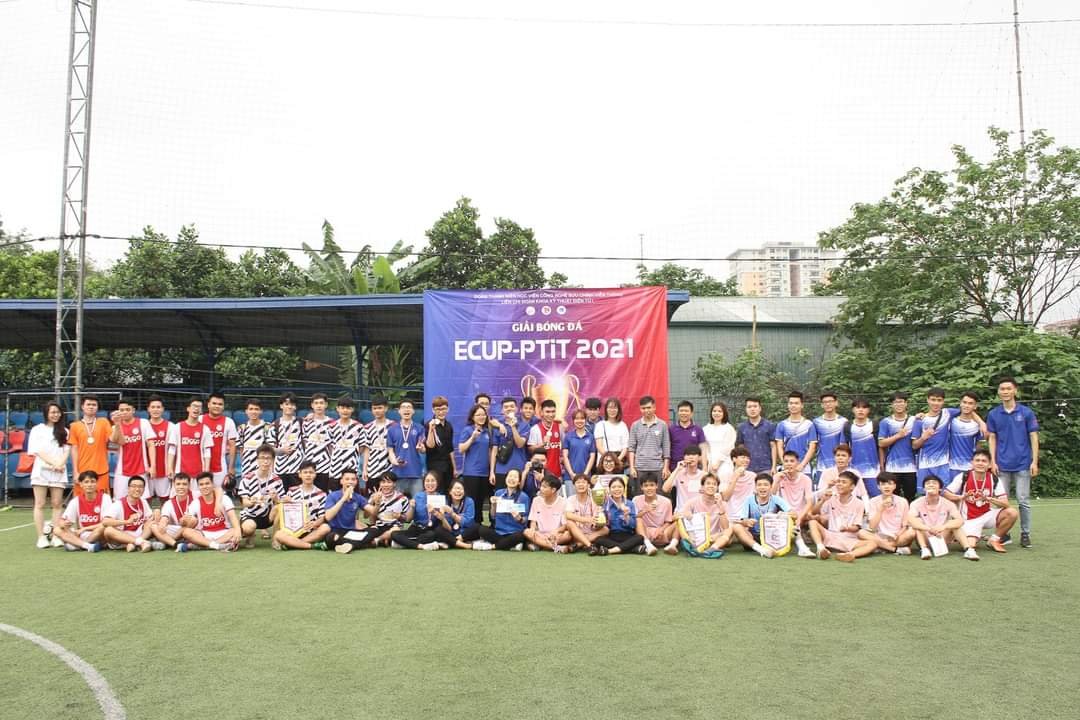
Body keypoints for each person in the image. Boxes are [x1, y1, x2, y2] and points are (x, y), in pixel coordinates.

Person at [987, 376, 1039, 548]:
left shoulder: (1026, 412)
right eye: (1002, 389)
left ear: (1015, 390)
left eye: (1008, 388)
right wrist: (992, 461)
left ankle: (1025, 534)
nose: (1005, 392)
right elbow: (992, 438)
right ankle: (1004, 534)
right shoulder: (994, 414)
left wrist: (1034, 462)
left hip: (1023, 464)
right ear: (999, 392)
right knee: (1001, 502)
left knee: (1023, 501)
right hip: (1001, 465)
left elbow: (1033, 436)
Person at [943, 449, 1017, 555]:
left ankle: (994, 540)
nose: (980, 463)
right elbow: (946, 493)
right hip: (968, 518)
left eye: (984, 461)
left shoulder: (994, 479)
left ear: (989, 464)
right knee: (971, 545)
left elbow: (1005, 503)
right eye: (977, 460)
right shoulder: (964, 476)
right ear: (972, 463)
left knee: (1012, 512)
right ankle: (958, 533)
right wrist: (961, 497)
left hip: (986, 515)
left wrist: (989, 499)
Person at [808, 471, 876, 562]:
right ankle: (821, 549)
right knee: (812, 522)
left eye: (844, 482)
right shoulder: (831, 498)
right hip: (830, 535)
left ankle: (849, 555)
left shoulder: (859, 503)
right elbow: (813, 513)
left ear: (852, 487)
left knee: (873, 544)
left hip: (848, 539)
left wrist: (847, 528)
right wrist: (822, 500)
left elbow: (857, 527)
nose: (839, 484)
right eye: (838, 481)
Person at [907, 475, 979, 561]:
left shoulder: (948, 503)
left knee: (954, 524)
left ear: (940, 489)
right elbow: (910, 520)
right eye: (928, 483)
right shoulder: (916, 503)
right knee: (917, 522)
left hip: (941, 536)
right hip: (925, 536)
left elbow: (960, 521)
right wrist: (928, 528)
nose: (931, 485)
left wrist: (943, 527)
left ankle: (968, 550)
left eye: (934, 483)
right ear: (924, 489)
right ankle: (924, 549)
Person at [29, 401, 70, 549]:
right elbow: (37, 450)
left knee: (57, 504)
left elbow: (66, 450)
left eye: (58, 412)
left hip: (59, 472)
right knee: (40, 504)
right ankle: (41, 537)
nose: (55, 415)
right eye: (52, 412)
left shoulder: (65, 431)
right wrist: (53, 464)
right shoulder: (37, 430)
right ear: (46, 413)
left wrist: (60, 464)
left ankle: (56, 536)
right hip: (42, 471)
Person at [730, 473, 796, 558]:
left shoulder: (776, 499)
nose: (762, 487)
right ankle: (761, 550)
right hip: (753, 538)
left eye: (765, 485)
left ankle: (802, 548)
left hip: (772, 537)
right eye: (759, 485)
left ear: (771, 487)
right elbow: (743, 520)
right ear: (755, 487)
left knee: (795, 527)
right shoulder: (749, 500)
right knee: (736, 527)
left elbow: (795, 515)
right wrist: (747, 522)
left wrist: (783, 514)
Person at [462, 468, 529, 551]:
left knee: (520, 536)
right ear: (506, 478)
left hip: (514, 532)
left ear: (519, 481)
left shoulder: (523, 497)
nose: (512, 479)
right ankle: (510, 544)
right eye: (510, 476)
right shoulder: (499, 493)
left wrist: (519, 518)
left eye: (515, 477)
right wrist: (493, 505)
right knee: (482, 530)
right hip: (499, 532)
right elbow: (493, 516)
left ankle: (492, 546)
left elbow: (525, 520)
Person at [270, 461, 330, 550]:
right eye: (305, 472)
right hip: (292, 529)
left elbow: (322, 517)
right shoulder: (292, 491)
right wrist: (283, 502)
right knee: (279, 534)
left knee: (325, 528)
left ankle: (292, 544)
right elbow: (283, 513)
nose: (308, 475)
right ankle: (311, 546)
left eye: (311, 472)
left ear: (315, 475)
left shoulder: (322, 494)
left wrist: (314, 523)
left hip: (310, 530)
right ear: (300, 475)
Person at [178, 472, 242, 553]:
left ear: (212, 484)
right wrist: (184, 521)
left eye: (207, 483)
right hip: (204, 534)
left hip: (224, 532)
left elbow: (232, 516)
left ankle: (203, 546)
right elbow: (187, 519)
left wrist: (237, 530)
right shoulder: (196, 502)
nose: (204, 486)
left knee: (236, 530)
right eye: (201, 484)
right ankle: (217, 545)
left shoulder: (224, 499)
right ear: (198, 487)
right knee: (186, 532)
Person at [238, 444, 285, 547]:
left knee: (279, 508)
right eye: (262, 458)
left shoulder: (277, 480)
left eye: (268, 458)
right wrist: (251, 502)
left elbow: (281, 502)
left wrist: (276, 498)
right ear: (257, 460)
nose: (265, 461)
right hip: (251, 515)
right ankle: (250, 535)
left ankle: (275, 539)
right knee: (248, 528)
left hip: (269, 516)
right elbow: (244, 502)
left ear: (273, 460)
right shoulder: (247, 478)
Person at [772, 450, 815, 557]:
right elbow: (771, 498)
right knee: (789, 517)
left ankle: (803, 545)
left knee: (804, 517)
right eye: (786, 461)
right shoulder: (779, 477)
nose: (789, 464)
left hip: (801, 513)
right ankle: (802, 547)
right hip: (785, 513)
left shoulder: (805, 479)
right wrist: (776, 481)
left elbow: (809, 502)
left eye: (792, 461)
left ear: (797, 463)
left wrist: (800, 517)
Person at [109, 397, 155, 500]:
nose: (124, 412)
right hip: (122, 471)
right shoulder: (115, 427)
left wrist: (153, 466)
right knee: (120, 500)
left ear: (133, 410)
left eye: (127, 409)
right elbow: (119, 441)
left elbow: (151, 445)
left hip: (141, 469)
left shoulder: (143, 423)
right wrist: (117, 424)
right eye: (121, 410)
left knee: (142, 499)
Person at [68, 395, 112, 497]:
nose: (91, 407)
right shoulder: (74, 426)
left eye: (94, 405)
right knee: (80, 501)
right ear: (82, 406)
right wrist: (75, 472)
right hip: (82, 471)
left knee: (103, 501)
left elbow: (112, 439)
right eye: (88, 404)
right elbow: (74, 449)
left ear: (97, 407)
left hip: (101, 470)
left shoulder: (104, 422)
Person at [677, 473, 733, 555]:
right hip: (697, 537)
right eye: (708, 483)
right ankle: (694, 547)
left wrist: (720, 507)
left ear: (717, 488)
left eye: (714, 484)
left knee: (730, 529)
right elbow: (680, 517)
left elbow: (725, 527)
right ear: (702, 486)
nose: (711, 486)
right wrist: (687, 515)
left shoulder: (722, 504)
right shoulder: (692, 502)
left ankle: (712, 549)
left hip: (713, 538)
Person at [859, 472, 915, 555]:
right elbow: (872, 527)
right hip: (880, 536)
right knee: (861, 533)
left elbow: (905, 525)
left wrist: (898, 534)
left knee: (912, 532)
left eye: (890, 484)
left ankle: (881, 547)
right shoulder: (873, 501)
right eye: (883, 484)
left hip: (897, 536)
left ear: (895, 486)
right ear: (878, 486)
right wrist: (880, 509)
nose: (887, 486)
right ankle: (894, 549)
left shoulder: (902, 501)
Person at [911, 387, 953, 495]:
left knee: (944, 494)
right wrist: (923, 437)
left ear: (943, 401)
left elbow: (968, 410)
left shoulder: (947, 413)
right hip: (925, 464)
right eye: (933, 400)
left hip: (943, 463)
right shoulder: (919, 420)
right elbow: (914, 445)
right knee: (925, 495)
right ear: (927, 400)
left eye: (939, 400)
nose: (936, 403)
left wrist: (981, 423)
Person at [52, 471, 108, 552]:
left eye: (92, 481)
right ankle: (87, 546)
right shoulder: (76, 501)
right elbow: (62, 521)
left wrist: (84, 528)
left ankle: (76, 544)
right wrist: (63, 524)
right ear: (81, 484)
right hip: (82, 534)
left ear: (97, 483)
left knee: (104, 528)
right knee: (57, 529)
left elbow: (106, 523)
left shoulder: (105, 498)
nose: (89, 485)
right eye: (86, 482)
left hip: (98, 533)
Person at [878, 392, 918, 502]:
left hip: (911, 467)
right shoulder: (886, 422)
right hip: (892, 467)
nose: (898, 405)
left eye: (901, 402)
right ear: (892, 404)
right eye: (896, 402)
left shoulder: (914, 420)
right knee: (892, 498)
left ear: (906, 403)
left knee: (910, 497)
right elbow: (881, 443)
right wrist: (898, 436)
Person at [627, 395, 671, 496]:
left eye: (649, 407)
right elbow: (631, 448)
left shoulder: (662, 425)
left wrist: (665, 467)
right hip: (640, 468)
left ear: (654, 407)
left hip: (657, 468)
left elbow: (666, 447)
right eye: (643, 408)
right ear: (640, 409)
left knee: (658, 496)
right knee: (640, 497)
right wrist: (632, 467)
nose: (646, 410)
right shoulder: (635, 425)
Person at [458, 402, 496, 519]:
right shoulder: (468, 430)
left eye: (483, 414)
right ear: (473, 417)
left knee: (481, 502)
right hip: (471, 473)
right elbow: (461, 449)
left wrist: (491, 471)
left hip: (484, 473)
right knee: (471, 502)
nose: (481, 417)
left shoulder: (487, 431)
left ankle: (478, 525)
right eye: (478, 415)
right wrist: (472, 438)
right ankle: (469, 524)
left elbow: (490, 452)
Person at [589, 476, 644, 555]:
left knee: (640, 538)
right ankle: (633, 548)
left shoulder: (630, 504)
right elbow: (603, 525)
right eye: (613, 487)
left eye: (619, 487)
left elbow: (633, 525)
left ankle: (610, 551)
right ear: (609, 489)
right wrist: (598, 520)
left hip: (627, 535)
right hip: (611, 535)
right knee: (598, 540)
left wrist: (626, 516)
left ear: (624, 488)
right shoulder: (604, 504)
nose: (617, 489)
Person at [390, 471, 445, 550]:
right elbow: (408, 519)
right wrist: (412, 507)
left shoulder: (440, 498)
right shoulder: (418, 496)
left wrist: (435, 512)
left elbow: (443, 520)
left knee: (431, 535)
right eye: (427, 481)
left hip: (431, 529)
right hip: (416, 528)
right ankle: (421, 546)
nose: (430, 484)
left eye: (433, 481)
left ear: (437, 483)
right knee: (394, 534)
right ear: (424, 483)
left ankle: (405, 543)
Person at [103, 475, 159, 552]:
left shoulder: (143, 502)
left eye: (140, 487)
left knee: (152, 523)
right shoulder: (118, 504)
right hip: (121, 536)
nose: (137, 489)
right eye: (134, 486)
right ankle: (139, 542)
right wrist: (127, 521)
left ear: (144, 489)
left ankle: (135, 543)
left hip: (138, 534)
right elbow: (105, 522)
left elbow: (149, 519)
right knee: (108, 530)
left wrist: (156, 512)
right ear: (128, 488)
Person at [357, 471, 411, 548]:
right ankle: (384, 540)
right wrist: (373, 501)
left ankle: (376, 540)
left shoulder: (402, 499)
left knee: (396, 530)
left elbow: (407, 519)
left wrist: (399, 516)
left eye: (389, 482)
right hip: (377, 527)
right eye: (383, 482)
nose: (386, 485)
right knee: (356, 523)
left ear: (394, 484)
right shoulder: (374, 496)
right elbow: (365, 516)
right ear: (380, 484)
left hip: (393, 528)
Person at [323, 469, 369, 554]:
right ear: (341, 481)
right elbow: (328, 517)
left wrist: (376, 502)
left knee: (373, 530)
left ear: (356, 482)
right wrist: (343, 498)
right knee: (331, 538)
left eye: (353, 479)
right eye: (347, 479)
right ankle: (355, 543)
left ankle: (349, 544)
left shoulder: (358, 497)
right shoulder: (333, 495)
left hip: (351, 531)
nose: (350, 482)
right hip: (335, 530)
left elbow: (369, 512)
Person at [166, 397, 212, 482]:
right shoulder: (177, 427)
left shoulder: (205, 429)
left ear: (201, 411)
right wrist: (170, 468)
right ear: (188, 408)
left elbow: (207, 451)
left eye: (199, 407)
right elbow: (172, 450)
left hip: (199, 473)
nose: (196, 408)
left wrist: (206, 471)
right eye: (194, 406)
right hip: (180, 473)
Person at [422, 479, 476, 550]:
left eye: (460, 489)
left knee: (477, 527)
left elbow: (468, 523)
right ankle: (464, 545)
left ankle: (451, 542)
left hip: (464, 533)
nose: (458, 491)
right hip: (451, 533)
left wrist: (452, 513)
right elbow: (449, 528)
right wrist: (442, 518)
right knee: (438, 530)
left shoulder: (469, 501)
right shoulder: (445, 502)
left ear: (464, 491)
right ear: (450, 491)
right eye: (455, 488)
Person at [524, 474, 573, 552]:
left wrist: (556, 531)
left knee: (568, 535)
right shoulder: (536, 500)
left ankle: (541, 544)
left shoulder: (563, 502)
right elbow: (533, 521)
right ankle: (555, 548)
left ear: (553, 490)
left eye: (544, 487)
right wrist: (532, 529)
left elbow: (565, 525)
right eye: (541, 486)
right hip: (540, 534)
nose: (541, 489)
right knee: (527, 532)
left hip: (556, 535)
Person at [387, 399, 425, 498]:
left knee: (417, 503)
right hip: (398, 474)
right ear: (399, 411)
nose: (406, 409)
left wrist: (421, 448)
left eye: (409, 407)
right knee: (397, 503)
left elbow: (423, 450)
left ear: (413, 411)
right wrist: (394, 461)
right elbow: (390, 451)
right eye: (403, 407)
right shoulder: (392, 429)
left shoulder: (419, 428)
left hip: (416, 473)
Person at [773, 390, 817, 475]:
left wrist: (802, 465)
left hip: (804, 468)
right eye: (791, 403)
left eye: (796, 403)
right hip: (786, 468)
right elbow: (779, 446)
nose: (793, 405)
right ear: (788, 405)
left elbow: (812, 447)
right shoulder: (781, 425)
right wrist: (785, 463)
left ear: (802, 405)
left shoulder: (809, 424)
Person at [491, 397, 529, 492]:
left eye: (512, 406)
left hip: (518, 469)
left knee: (518, 498)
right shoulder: (497, 425)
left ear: (516, 409)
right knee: (500, 497)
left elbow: (520, 444)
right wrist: (492, 471)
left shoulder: (524, 425)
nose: (509, 409)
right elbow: (494, 450)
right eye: (506, 407)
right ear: (502, 410)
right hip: (501, 469)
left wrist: (513, 427)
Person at [948, 391, 987, 482]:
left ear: (975, 406)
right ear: (960, 403)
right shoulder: (951, 420)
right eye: (964, 402)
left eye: (970, 403)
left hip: (969, 467)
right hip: (951, 467)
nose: (966, 405)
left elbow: (979, 447)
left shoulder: (978, 426)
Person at [563, 473, 608, 552]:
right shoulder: (571, 499)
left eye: (583, 482)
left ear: (589, 485)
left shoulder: (594, 498)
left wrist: (597, 522)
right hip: (577, 532)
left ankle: (579, 544)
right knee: (569, 523)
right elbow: (568, 515)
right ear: (574, 486)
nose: (581, 484)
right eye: (578, 482)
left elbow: (596, 518)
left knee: (606, 529)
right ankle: (590, 545)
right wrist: (587, 519)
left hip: (592, 531)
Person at [202, 391, 238, 490]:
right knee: (199, 495)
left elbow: (233, 446)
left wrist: (231, 467)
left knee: (219, 495)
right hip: (200, 466)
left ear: (223, 406)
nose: (217, 406)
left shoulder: (229, 422)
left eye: (220, 404)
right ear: (208, 404)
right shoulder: (199, 420)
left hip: (220, 467)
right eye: (214, 403)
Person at [633, 476, 677, 555]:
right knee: (638, 520)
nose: (649, 488)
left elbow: (668, 521)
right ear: (641, 487)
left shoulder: (666, 501)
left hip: (662, 533)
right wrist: (645, 510)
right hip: (645, 533)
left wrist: (661, 530)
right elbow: (634, 518)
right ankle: (648, 546)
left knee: (678, 522)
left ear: (657, 486)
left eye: (652, 485)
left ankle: (672, 545)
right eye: (646, 486)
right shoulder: (636, 499)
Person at [816, 444, 870, 509]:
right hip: (830, 508)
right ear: (834, 457)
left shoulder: (855, 473)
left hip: (849, 507)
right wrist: (828, 486)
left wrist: (867, 511)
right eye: (838, 455)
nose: (840, 458)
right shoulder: (826, 472)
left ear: (849, 459)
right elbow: (819, 495)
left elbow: (863, 494)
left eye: (843, 455)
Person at [149, 472, 194, 550]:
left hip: (193, 530)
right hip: (177, 530)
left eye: (184, 484)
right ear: (173, 485)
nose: (181, 487)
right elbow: (165, 517)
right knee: (153, 526)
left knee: (192, 520)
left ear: (189, 485)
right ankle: (175, 544)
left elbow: (215, 489)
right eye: (178, 484)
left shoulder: (196, 496)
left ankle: (166, 542)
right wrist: (162, 523)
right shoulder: (169, 503)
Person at [812, 392, 849, 485]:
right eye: (825, 402)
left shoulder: (844, 421)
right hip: (822, 465)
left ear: (836, 403)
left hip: (840, 466)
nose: (828, 404)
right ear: (822, 405)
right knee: (822, 491)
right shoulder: (816, 422)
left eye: (830, 401)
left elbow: (845, 445)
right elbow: (813, 444)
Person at [846, 398, 880, 497]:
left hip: (873, 471)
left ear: (868, 410)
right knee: (855, 499)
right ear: (853, 410)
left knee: (875, 499)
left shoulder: (875, 424)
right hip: (853, 471)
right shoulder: (848, 426)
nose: (861, 410)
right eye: (858, 407)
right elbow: (845, 447)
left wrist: (882, 465)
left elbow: (881, 446)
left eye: (864, 407)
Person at [302, 392, 335, 491]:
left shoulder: (332, 423)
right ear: (312, 405)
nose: (319, 406)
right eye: (316, 403)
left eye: (321, 403)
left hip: (325, 465)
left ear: (326, 404)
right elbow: (304, 442)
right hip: (309, 465)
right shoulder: (306, 422)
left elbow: (332, 445)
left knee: (323, 493)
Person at [329, 395, 364, 489]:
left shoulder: (358, 426)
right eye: (342, 408)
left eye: (348, 408)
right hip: (335, 468)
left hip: (352, 468)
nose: (345, 410)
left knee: (352, 495)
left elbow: (362, 446)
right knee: (335, 494)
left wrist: (352, 454)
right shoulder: (331, 426)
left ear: (352, 409)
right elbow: (329, 446)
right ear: (337, 409)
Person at [272, 392, 304, 490]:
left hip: (297, 468)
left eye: (292, 404)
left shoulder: (301, 422)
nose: (289, 407)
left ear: (295, 407)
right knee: (281, 496)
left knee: (297, 496)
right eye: (286, 404)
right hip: (280, 468)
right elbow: (270, 449)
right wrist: (281, 450)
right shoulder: (274, 425)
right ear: (281, 406)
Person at [736, 397, 776, 475]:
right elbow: (740, 448)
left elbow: (773, 446)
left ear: (760, 408)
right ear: (746, 409)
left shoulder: (769, 425)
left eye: (755, 406)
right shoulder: (742, 427)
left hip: (766, 467)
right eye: (749, 407)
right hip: (747, 468)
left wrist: (774, 466)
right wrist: (740, 466)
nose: (752, 409)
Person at [425, 395, 457, 493]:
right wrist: (431, 430)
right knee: (437, 493)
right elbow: (430, 446)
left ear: (448, 409)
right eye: (438, 409)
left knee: (448, 492)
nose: (441, 412)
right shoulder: (429, 424)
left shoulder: (449, 426)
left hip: (448, 466)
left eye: (443, 409)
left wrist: (455, 468)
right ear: (433, 410)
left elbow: (450, 448)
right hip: (435, 466)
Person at [144, 395, 173, 502]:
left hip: (164, 470)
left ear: (163, 409)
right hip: (145, 471)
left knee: (164, 499)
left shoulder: (171, 427)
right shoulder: (143, 426)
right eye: (153, 407)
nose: (155, 410)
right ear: (148, 409)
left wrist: (170, 467)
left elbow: (173, 450)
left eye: (158, 407)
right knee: (145, 499)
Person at [237, 398, 274, 479]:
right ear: (246, 411)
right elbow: (241, 449)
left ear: (261, 411)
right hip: (247, 469)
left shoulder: (267, 427)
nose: (253, 411)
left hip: (264, 469)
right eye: (251, 409)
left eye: (256, 409)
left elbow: (271, 450)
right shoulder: (242, 428)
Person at [527, 399, 564, 480]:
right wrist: (542, 444)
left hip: (557, 474)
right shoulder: (535, 429)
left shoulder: (560, 427)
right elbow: (530, 449)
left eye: (553, 411)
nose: (551, 414)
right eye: (547, 412)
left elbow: (564, 449)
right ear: (541, 412)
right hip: (540, 474)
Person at [662, 445, 706, 513]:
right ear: (684, 457)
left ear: (699, 457)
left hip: (699, 513)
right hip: (681, 513)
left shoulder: (704, 475)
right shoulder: (679, 473)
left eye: (694, 454)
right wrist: (677, 469)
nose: (691, 457)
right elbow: (665, 489)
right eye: (688, 455)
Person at [719, 445, 756, 522]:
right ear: (734, 459)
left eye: (748, 458)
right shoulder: (725, 475)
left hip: (748, 516)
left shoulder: (753, 476)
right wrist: (735, 476)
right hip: (730, 516)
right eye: (743, 457)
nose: (746, 460)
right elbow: (725, 498)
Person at [670, 400, 708, 473]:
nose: (683, 413)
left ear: (691, 413)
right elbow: (667, 449)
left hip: (694, 468)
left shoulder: (698, 429)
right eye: (681, 411)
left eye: (686, 411)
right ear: (678, 412)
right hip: (675, 468)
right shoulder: (671, 429)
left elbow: (703, 449)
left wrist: (705, 467)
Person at [561, 410, 596, 487]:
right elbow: (565, 456)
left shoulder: (590, 437)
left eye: (582, 418)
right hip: (570, 477)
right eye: (576, 418)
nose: (579, 421)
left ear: (585, 420)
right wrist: (571, 473)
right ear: (573, 421)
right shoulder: (568, 436)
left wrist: (585, 474)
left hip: (586, 477)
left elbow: (592, 457)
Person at [594, 397, 630, 466]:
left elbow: (625, 447)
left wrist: (617, 460)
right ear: (606, 409)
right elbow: (599, 446)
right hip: (604, 461)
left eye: (615, 408)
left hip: (619, 461)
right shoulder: (600, 425)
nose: (612, 410)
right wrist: (610, 459)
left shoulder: (623, 425)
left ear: (618, 410)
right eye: (610, 408)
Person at [703, 402, 735, 476]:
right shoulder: (706, 429)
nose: (716, 413)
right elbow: (705, 448)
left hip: (725, 464)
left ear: (724, 413)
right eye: (714, 411)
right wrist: (709, 463)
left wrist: (717, 464)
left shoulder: (728, 428)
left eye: (720, 411)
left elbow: (729, 448)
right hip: (710, 464)